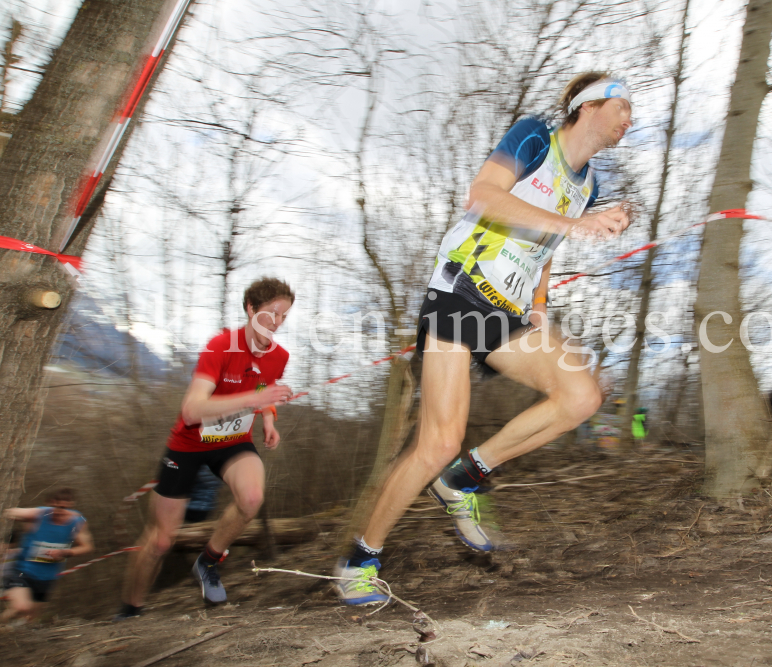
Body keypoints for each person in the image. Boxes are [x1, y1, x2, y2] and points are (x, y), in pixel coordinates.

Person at [332, 72, 633, 605]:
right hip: (462, 292)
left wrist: (539, 307)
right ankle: (360, 558)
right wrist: (579, 226)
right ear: (589, 106)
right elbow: (485, 195)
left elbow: (545, 248)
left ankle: (464, 478)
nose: (629, 119)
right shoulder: (534, 137)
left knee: (582, 395)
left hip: (509, 311)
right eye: (623, 107)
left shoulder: (589, 185)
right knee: (436, 442)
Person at [115, 277, 295, 620]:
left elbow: (264, 387)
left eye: (284, 316)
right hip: (190, 444)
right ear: (251, 309)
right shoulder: (220, 346)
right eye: (271, 313)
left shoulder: (279, 356)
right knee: (161, 541)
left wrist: (269, 417)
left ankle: (208, 560)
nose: (277, 323)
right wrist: (256, 399)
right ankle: (129, 610)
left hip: (232, 443)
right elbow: (192, 410)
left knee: (252, 499)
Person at [2, 488, 93, 625]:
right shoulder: (39, 515)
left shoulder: (77, 523)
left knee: (31, 618)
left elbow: (87, 546)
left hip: (47, 577)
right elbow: (9, 512)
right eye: (57, 507)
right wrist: (39, 511)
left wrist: (66, 553)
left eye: (65, 508)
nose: (61, 512)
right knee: (21, 607)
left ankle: (8, 630)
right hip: (22, 570)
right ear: (51, 504)